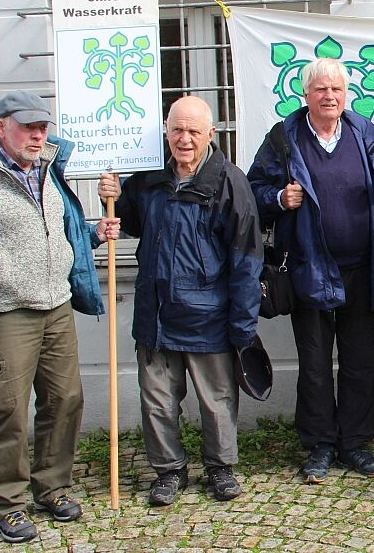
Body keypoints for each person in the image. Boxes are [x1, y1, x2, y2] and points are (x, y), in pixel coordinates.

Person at [0, 90, 118, 543]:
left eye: (43, 127)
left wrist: (93, 233)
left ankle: (52, 486)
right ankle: (8, 503)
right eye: (28, 127)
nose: (39, 135)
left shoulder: (49, 167)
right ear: (1, 126)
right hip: (7, 311)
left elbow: (60, 230)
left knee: (65, 400)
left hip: (56, 304)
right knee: (9, 413)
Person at [98, 96, 261, 507]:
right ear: (166, 131)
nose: (184, 139)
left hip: (209, 315)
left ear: (211, 134)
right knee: (157, 400)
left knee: (216, 399)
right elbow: (129, 218)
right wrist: (109, 197)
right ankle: (168, 471)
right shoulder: (149, 177)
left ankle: (220, 468)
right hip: (154, 312)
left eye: (193, 131)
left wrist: (243, 324)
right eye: (176, 130)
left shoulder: (229, 181)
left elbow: (246, 259)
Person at [247, 58, 374, 484]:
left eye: (336, 90)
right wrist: (278, 198)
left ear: (346, 95)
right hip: (308, 266)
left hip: (362, 266)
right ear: (305, 95)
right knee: (313, 362)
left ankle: (355, 443)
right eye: (320, 90)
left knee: (359, 359)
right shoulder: (283, 138)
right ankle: (320, 445)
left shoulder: (364, 131)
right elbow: (253, 190)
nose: (329, 96)